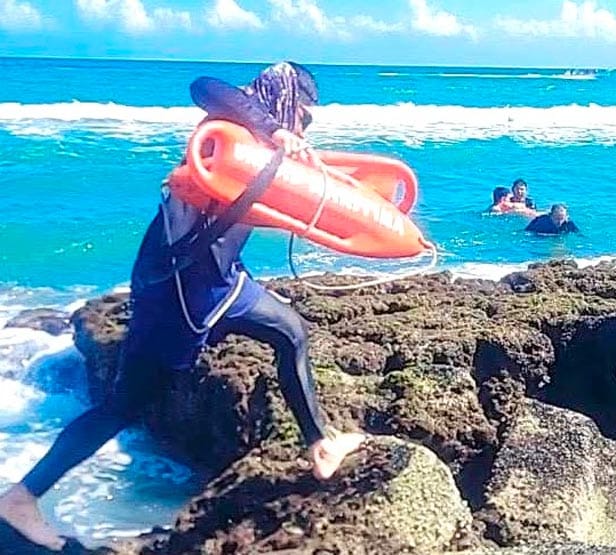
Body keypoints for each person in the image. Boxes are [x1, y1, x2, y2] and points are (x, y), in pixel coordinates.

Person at [0, 61, 365, 551]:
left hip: (213, 282)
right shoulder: (235, 126)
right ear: (281, 99)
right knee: (123, 406)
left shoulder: (252, 149)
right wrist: (275, 128)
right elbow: (205, 85)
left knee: (291, 332)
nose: (305, 123)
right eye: (302, 113)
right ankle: (22, 498)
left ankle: (321, 442)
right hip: (183, 290)